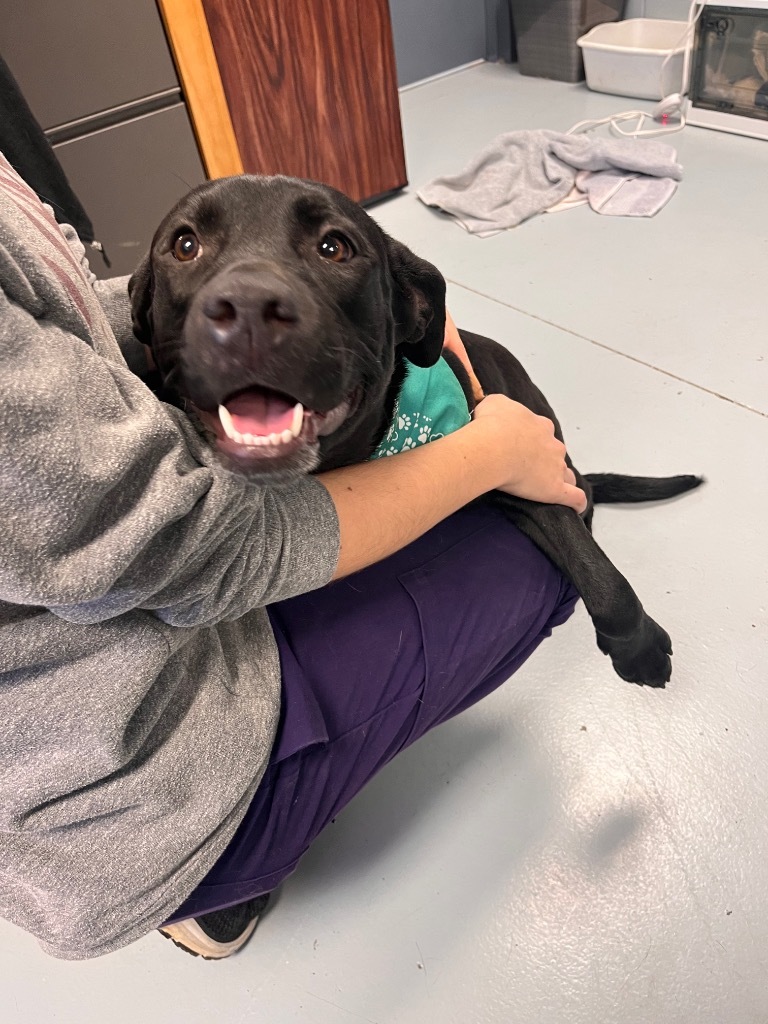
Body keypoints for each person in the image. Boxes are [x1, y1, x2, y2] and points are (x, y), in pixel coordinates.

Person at [0, 152, 585, 961]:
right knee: (531, 554)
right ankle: (213, 886)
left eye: (334, 249)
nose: (246, 299)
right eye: (189, 248)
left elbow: (59, 315)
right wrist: (490, 456)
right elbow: (190, 545)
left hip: (67, 713)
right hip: (105, 812)